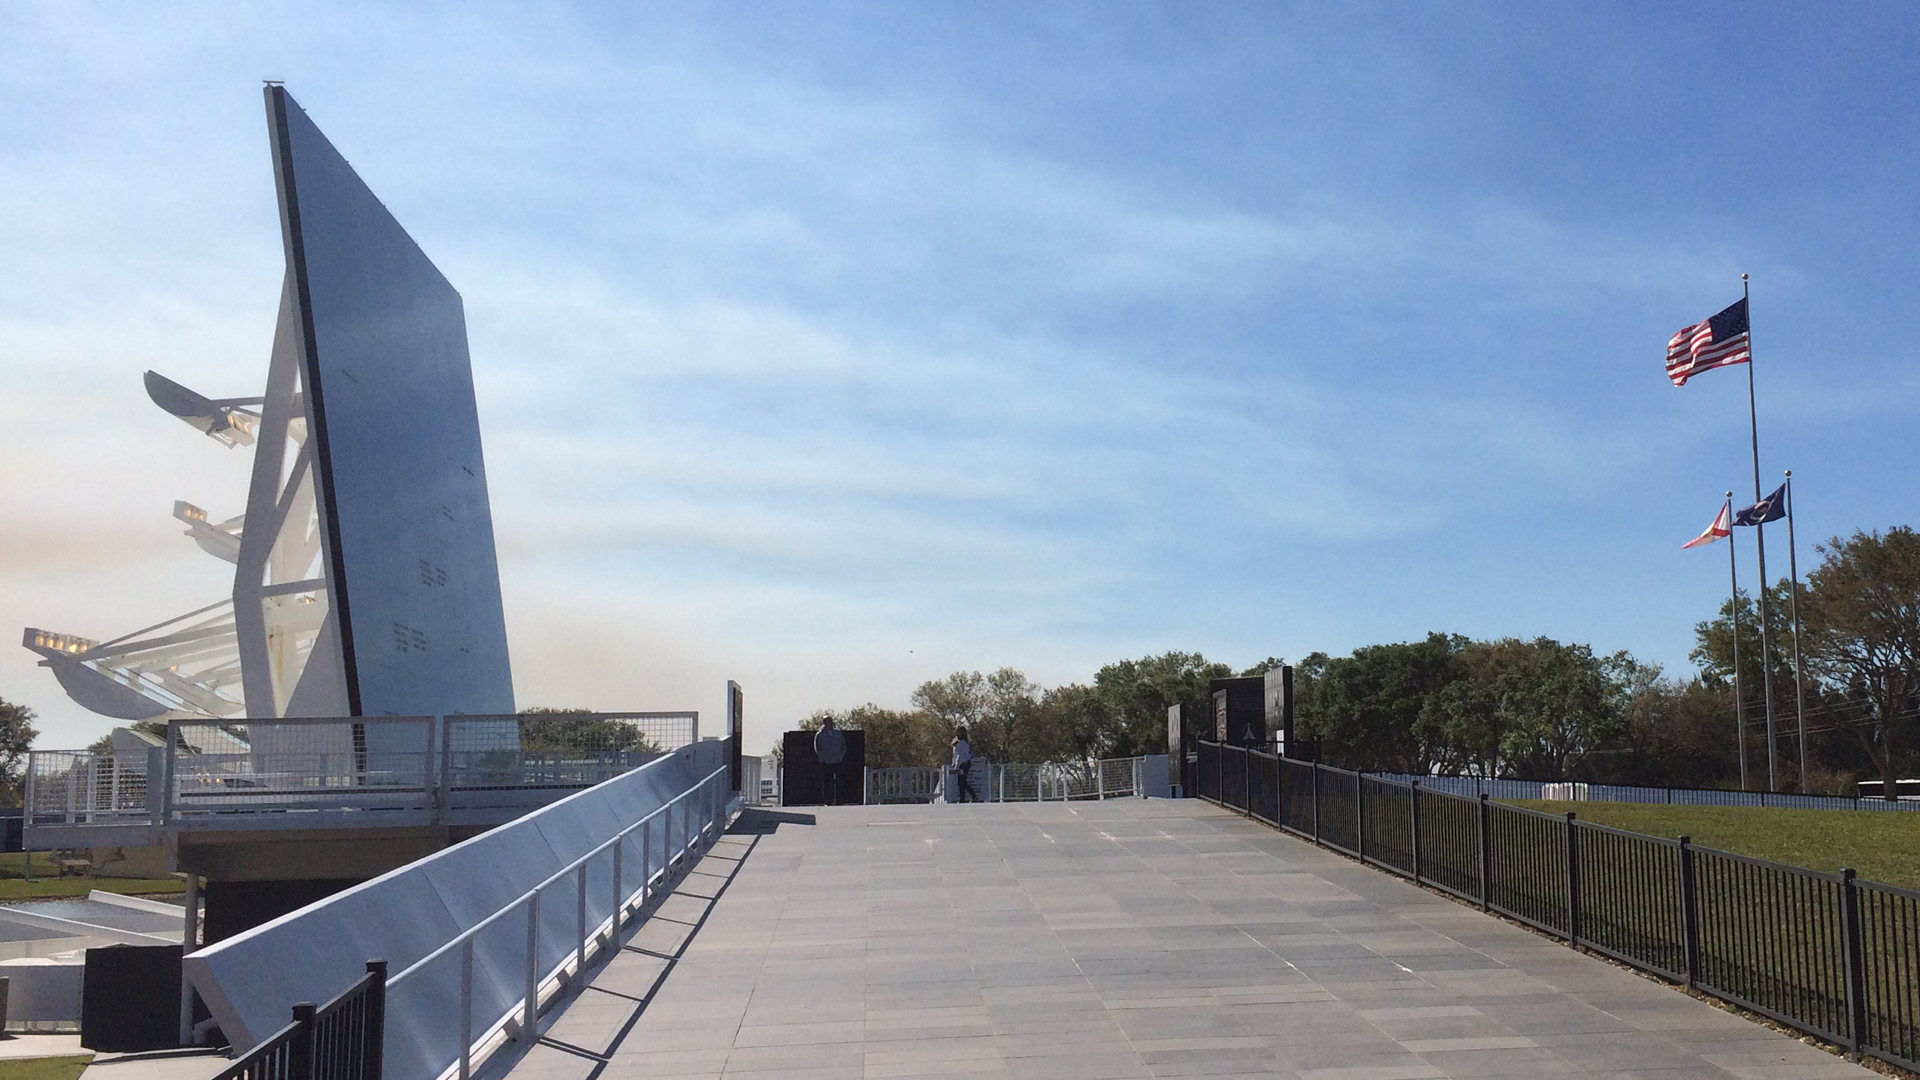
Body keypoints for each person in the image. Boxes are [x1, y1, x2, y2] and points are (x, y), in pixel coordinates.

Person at [813, 716, 847, 805]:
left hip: (838, 760)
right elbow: (817, 748)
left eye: (831, 721)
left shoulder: (838, 733)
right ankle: (828, 800)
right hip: (826, 762)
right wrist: (823, 758)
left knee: (840, 781)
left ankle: (839, 800)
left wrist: (841, 755)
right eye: (828, 721)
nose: (830, 723)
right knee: (827, 781)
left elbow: (843, 745)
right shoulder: (819, 735)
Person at [951, 726, 979, 803]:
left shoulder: (961, 743)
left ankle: (971, 796)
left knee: (961, 782)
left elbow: (959, 755)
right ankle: (964, 798)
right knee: (962, 782)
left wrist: (956, 766)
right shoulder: (964, 742)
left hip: (963, 764)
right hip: (965, 763)